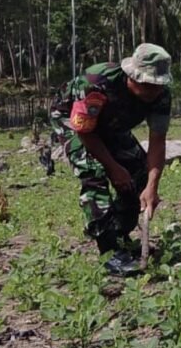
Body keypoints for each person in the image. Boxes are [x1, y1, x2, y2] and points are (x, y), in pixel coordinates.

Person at [50, 44, 173, 274]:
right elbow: (85, 131)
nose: (153, 92)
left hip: (112, 126)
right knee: (93, 173)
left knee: (138, 172)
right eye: (147, 85)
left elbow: (158, 140)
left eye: (157, 86)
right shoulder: (97, 82)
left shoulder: (161, 95)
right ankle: (109, 251)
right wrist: (113, 168)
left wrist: (152, 187)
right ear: (132, 76)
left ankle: (120, 236)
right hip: (73, 121)